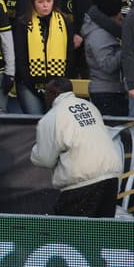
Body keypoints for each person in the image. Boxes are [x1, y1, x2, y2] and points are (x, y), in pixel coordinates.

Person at [30, 78, 123, 217]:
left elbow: (45, 160)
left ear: (53, 93)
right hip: (111, 177)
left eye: (46, 92)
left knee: (68, 234)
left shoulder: (51, 118)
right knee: (102, 234)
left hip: (83, 181)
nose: (44, 96)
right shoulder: (89, 106)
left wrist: (35, 152)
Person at [11, 0, 76, 115]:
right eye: (41, 2)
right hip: (28, 83)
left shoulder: (64, 21)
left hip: (57, 83)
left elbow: (70, 54)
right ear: (33, 2)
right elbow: (20, 56)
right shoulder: (23, 22)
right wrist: (31, 83)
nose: (45, 5)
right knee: (34, 121)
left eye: (48, 0)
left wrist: (63, 81)